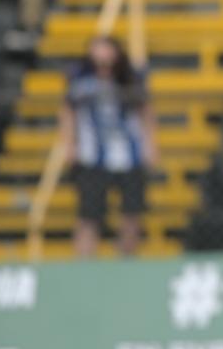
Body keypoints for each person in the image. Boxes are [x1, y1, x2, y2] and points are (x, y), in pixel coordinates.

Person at [59, 36, 157, 258]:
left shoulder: (130, 80)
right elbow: (67, 112)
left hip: (129, 157)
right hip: (92, 159)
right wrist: (69, 144)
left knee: (131, 214)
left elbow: (146, 112)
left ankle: (126, 260)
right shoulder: (81, 82)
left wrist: (150, 145)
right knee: (88, 216)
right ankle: (84, 263)